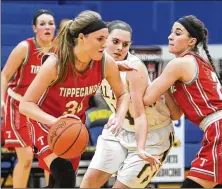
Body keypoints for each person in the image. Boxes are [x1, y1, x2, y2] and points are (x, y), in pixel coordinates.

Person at [18, 10, 130, 188]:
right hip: (45, 123)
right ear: (82, 38)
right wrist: (55, 122)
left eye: (106, 39)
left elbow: (123, 94)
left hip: (75, 126)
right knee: (66, 177)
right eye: (99, 39)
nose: (105, 44)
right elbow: (25, 104)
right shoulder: (56, 64)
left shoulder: (105, 63)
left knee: (59, 182)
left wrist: (119, 115)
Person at [142, 15, 222, 188]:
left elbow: (147, 98)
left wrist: (134, 78)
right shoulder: (198, 62)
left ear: (191, 41)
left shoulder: (179, 64)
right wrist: (164, 85)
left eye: (178, 33)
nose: (170, 37)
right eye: (171, 32)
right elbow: (176, 114)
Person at [80, 20, 174, 188]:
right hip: (119, 129)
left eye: (125, 44)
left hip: (150, 135)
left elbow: (139, 115)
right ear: (104, 39)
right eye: (115, 42)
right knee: (88, 184)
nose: (120, 48)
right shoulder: (95, 62)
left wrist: (140, 148)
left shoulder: (134, 68)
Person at [1, 9, 56, 188]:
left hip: (43, 107)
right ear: (34, 28)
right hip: (18, 105)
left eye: (50, 23)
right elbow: (5, 75)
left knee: (51, 158)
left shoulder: (60, 50)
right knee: (26, 158)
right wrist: (1, 101)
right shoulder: (25, 47)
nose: (47, 27)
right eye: (42, 24)